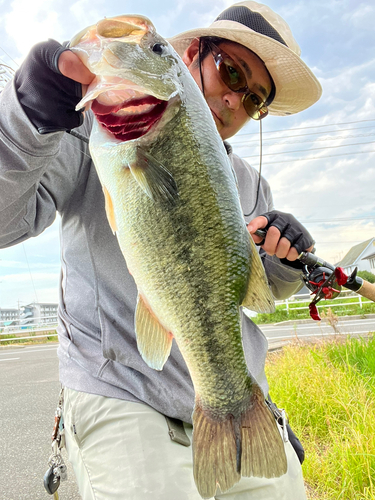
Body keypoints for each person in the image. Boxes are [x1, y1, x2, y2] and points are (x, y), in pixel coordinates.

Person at [0, 1, 321, 499]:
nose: (236, 101)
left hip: (237, 401)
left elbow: (257, 292)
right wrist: (24, 117)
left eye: (254, 99)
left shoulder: (251, 185)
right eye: (231, 71)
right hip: (124, 397)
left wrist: (285, 261)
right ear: (192, 53)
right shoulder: (91, 129)